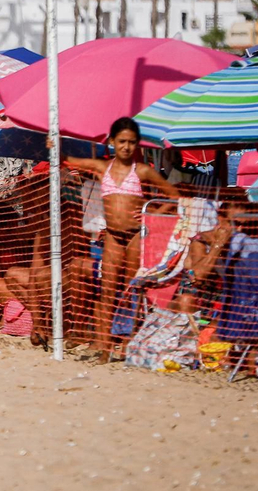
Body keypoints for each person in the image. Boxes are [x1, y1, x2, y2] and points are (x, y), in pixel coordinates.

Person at [65, 116, 178, 350]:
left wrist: (151, 212)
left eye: (132, 142)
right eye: (122, 141)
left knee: (130, 290)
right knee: (107, 290)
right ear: (112, 142)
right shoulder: (101, 167)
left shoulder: (143, 171)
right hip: (113, 236)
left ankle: (127, 342)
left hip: (136, 235)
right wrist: (53, 145)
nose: (127, 147)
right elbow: (68, 160)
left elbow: (174, 196)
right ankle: (105, 345)